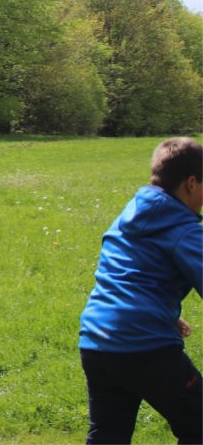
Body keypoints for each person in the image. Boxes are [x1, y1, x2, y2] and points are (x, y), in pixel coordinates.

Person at [78, 137, 202, 444]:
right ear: (190, 183)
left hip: (96, 341)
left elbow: (130, 272)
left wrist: (166, 315)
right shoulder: (184, 230)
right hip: (145, 347)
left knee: (108, 434)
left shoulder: (130, 215)